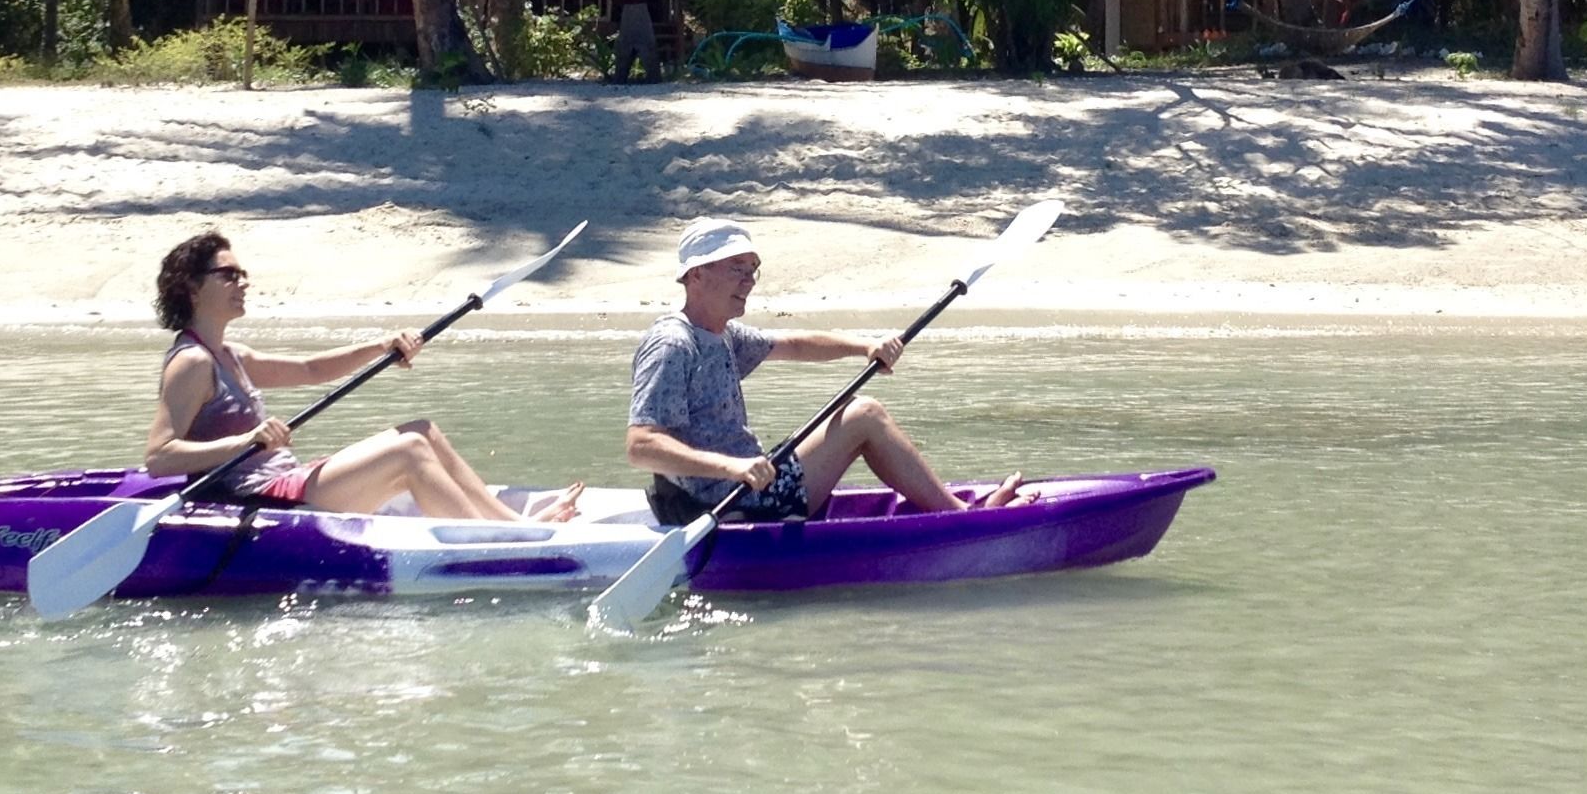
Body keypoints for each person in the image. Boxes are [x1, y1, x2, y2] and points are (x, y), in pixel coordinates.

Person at [146, 231, 580, 521]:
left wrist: (381, 346)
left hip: (283, 482)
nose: (242, 283)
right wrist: (244, 442)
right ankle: (500, 544)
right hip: (257, 498)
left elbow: (312, 370)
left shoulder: (229, 354)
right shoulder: (192, 362)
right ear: (191, 287)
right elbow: (160, 456)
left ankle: (513, 525)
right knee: (408, 450)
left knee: (421, 431)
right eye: (228, 275)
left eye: (243, 274)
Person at [625, 219, 1025, 525]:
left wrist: (864, 346)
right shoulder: (674, 345)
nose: (749, 281)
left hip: (751, 483)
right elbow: (641, 446)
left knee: (854, 411)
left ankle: (948, 508)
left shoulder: (722, 334)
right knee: (864, 414)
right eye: (737, 269)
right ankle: (962, 518)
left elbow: (794, 345)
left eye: (753, 269)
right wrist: (731, 467)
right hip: (727, 504)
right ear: (697, 274)